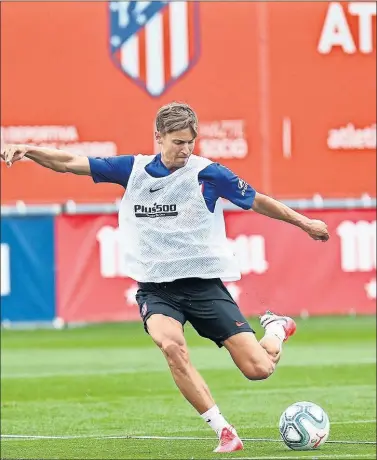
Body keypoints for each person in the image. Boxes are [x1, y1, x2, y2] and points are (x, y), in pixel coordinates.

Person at [1, 102, 329, 453]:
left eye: (190, 142)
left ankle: (276, 329)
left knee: (259, 369)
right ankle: (223, 430)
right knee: (171, 346)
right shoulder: (132, 170)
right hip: (156, 290)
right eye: (177, 142)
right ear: (159, 137)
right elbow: (69, 163)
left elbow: (259, 201)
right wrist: (30, 151)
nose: (185, 150)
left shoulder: (208, 174)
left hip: (203, 286)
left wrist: (304, 223)